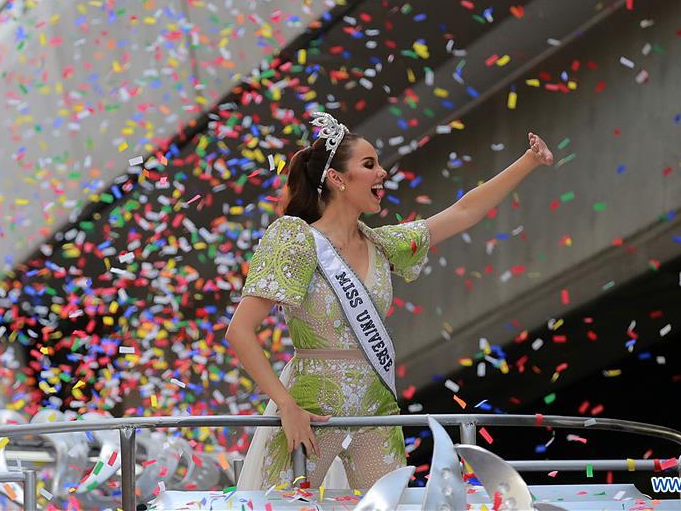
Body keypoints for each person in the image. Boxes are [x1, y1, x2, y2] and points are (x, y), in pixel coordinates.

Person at [226, 111, 553, 491]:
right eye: (369, 165)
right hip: (312, 410)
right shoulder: (295, 239)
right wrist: (286, 406)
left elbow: (464, 212)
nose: (382, 172)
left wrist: (529, 161)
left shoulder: (383, 245)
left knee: (390, 505)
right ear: (337, 179)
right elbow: (240, 332)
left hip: (376, 409)